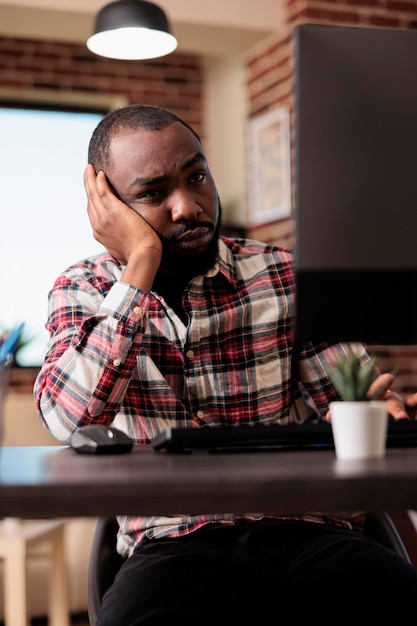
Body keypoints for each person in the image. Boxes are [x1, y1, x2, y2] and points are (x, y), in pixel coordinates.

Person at [34, 103, 417, 624]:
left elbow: (357, 405)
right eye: (152, 194)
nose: (188, 207)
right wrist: (140, 264)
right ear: (110, 208)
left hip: (308, 530)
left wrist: (382, 416)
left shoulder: (282, 274)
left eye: (197, 177)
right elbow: (69, 419)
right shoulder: (83, 289)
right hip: (172, 544)